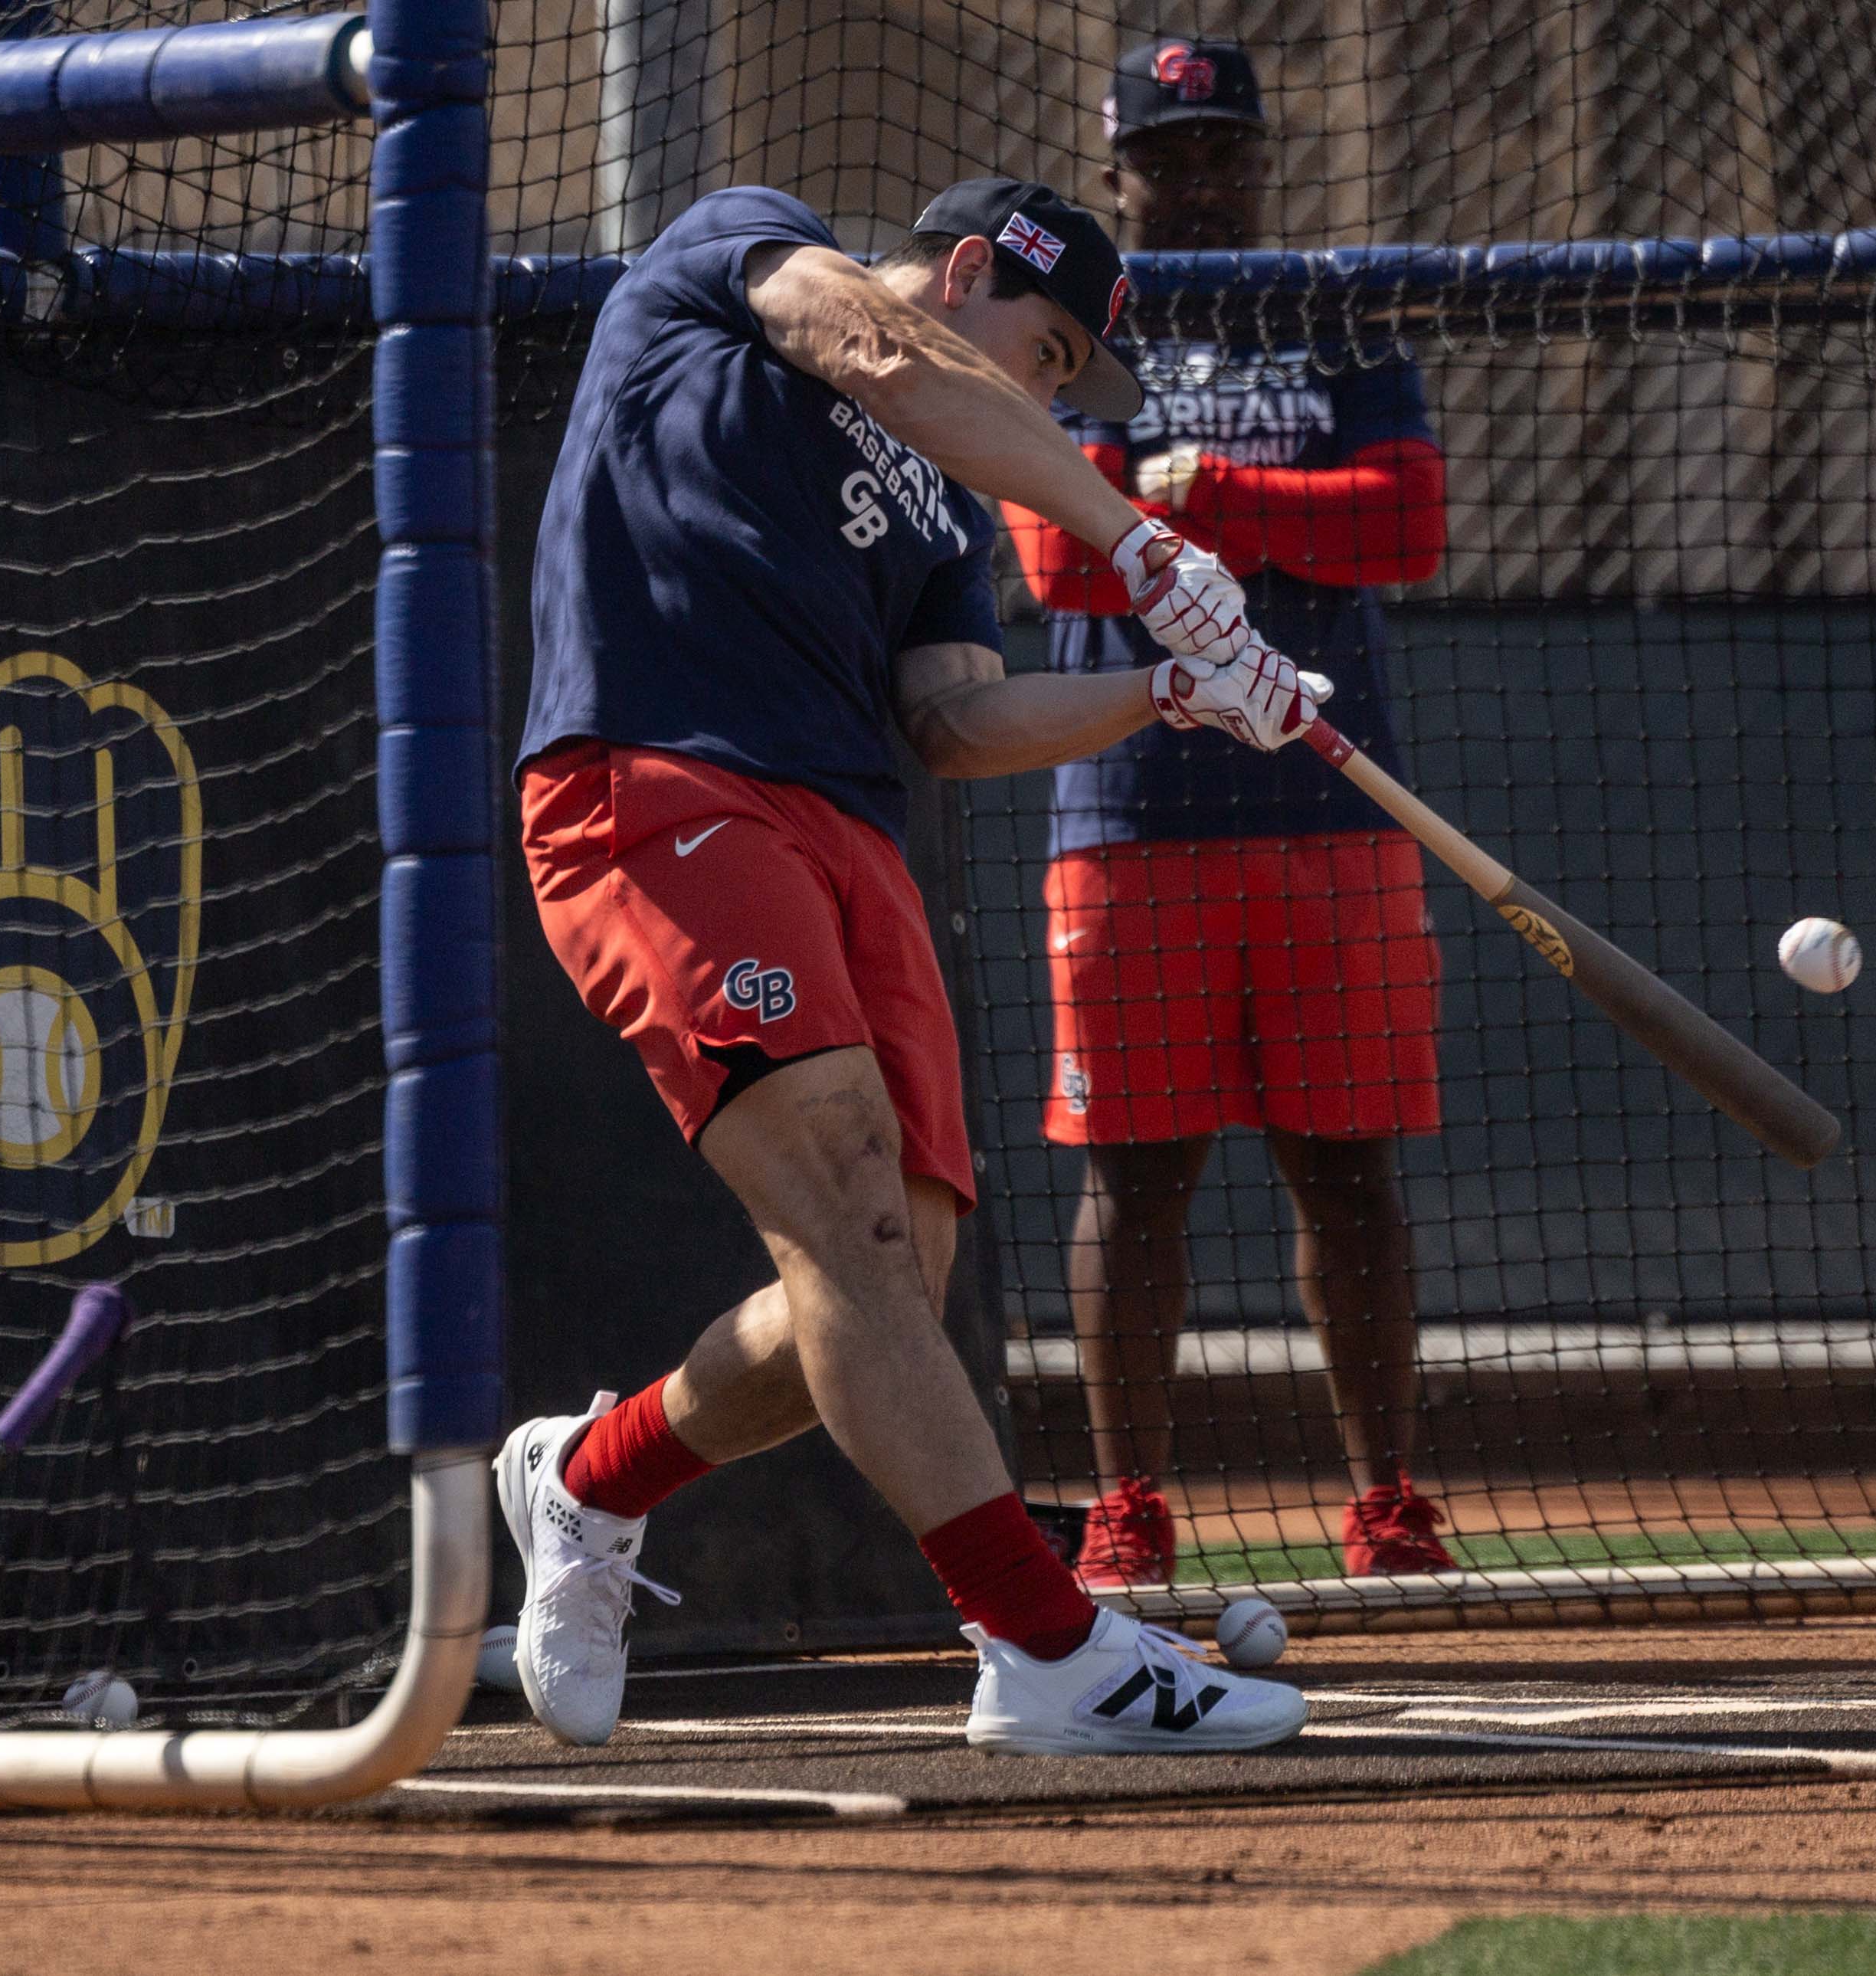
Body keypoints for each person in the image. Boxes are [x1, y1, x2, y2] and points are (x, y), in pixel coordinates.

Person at [505, 173, 1329, 1754]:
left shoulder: (955, 505)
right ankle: (1043, 1648)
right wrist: (1138, 536)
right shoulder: (744, 250)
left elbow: (953, 718)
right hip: (660, 777)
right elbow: (876, 348)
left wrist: (1168, 691)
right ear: (968, 271)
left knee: (889, 1286)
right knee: (855, 1213)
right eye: (1047, 350)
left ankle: (586, 1479)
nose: (1049, 391)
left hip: (848, 827)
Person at [997, 39, 1453, 1590]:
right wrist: (1239, 515)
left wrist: (1208, 500)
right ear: (1116, 167)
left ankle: (1388, 1501)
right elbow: (1060, 564)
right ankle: (1128, 1508)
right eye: (1168, 155)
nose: (1198, 179)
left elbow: (1410, 525)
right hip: (1131, 806)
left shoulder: (1327, 312)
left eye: (1222, 151)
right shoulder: (1076, 327)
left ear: (1261, 160)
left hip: (1333, 795)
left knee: (1349, 1165)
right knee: (1138, 1170)